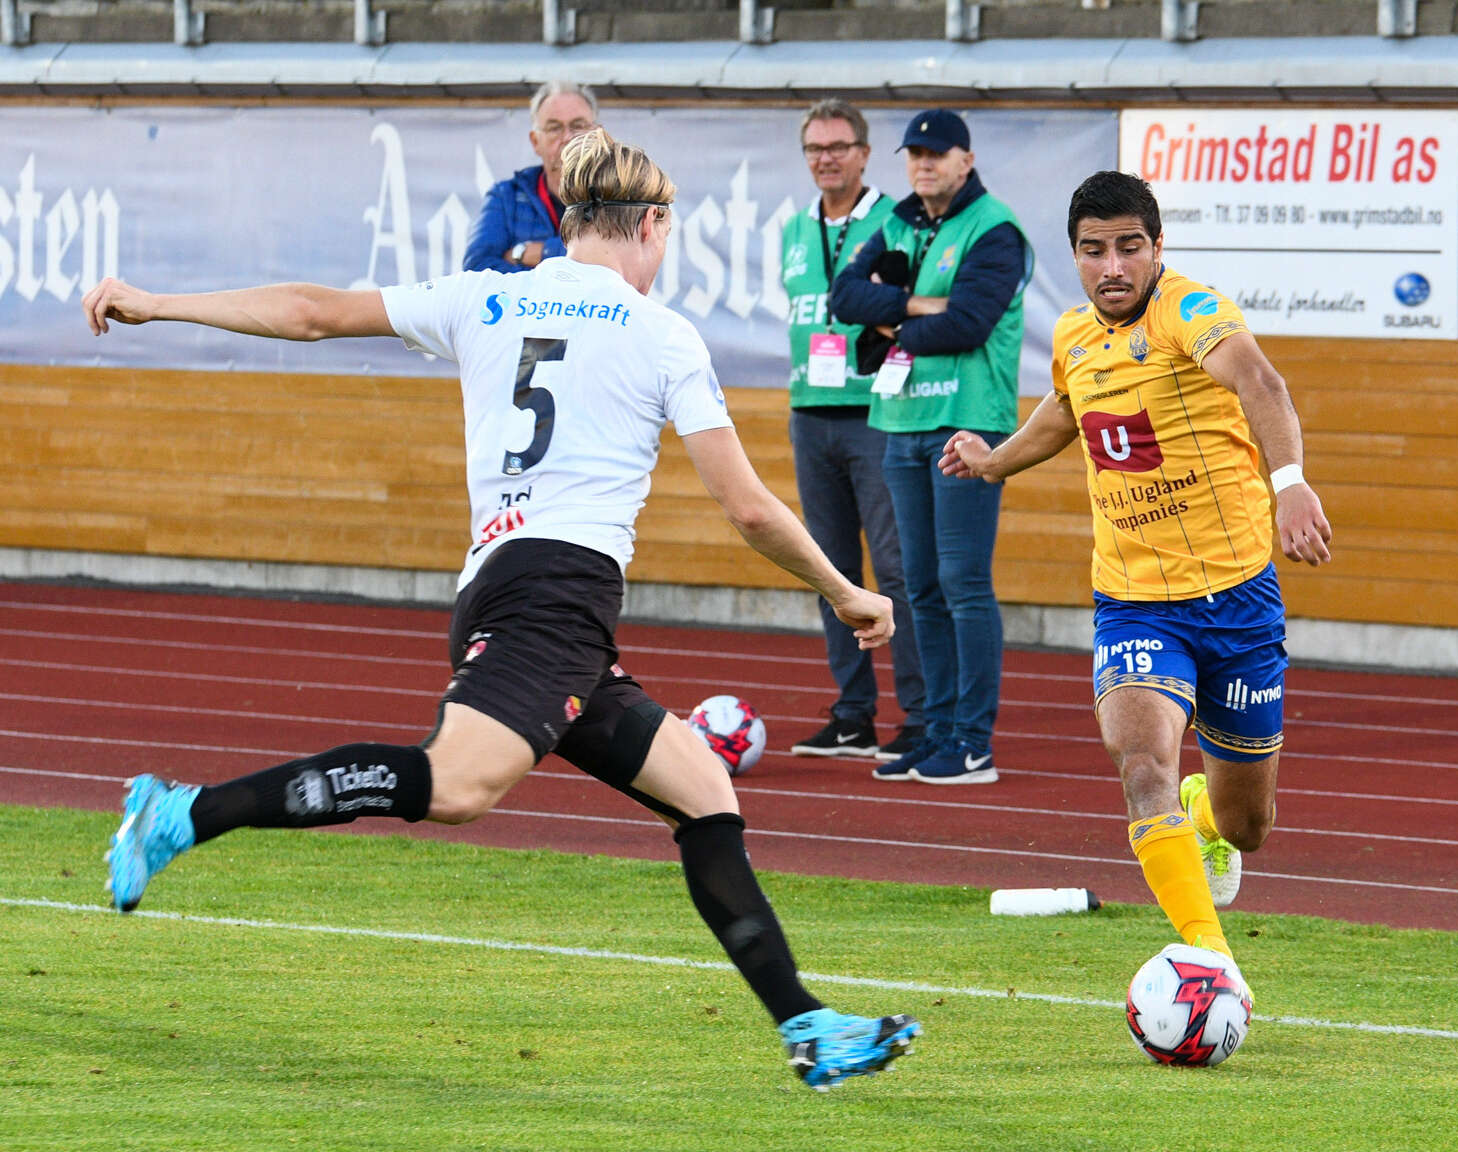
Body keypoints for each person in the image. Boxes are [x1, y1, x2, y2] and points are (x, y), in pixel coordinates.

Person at [84, 129, 921, 1092]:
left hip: (514, 588)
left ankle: (810, 1028)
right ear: (652, 224)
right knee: (455, 787)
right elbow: (750, 509)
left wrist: (159, 303)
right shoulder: (661, 334)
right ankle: (183, 812)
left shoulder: (487, 296)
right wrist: (845, 590)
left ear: (568, 221)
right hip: (554, 599)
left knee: (703, 793)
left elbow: (312, 312)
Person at [939, 170, 1333, 986]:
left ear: (1157, 248)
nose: (1112, 266)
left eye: (1129, 247)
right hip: (1134, 601)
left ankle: (1203, 819)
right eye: (1094, 251)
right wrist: (993, 462)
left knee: (1248, 824)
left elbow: (1262, 383)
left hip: (1237, 600)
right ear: (1076, 256)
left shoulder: (1191, 312)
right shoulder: (1075, 337)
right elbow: (1065, 410)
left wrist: (1290, 483)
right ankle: (1211, 960)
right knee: (1143, 764)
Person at [827, 109, 1031, 786]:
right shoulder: (898, 220)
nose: (923, 164)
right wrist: (919, 307)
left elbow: (969, 324)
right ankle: (937, 730)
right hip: (901, 420)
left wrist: (892, 316)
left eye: (936, 154)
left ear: (965, 160)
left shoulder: (995, 228)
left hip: (968, 424)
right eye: (914, 154)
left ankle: (972, 743)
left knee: (962, 583)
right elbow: (843, 297)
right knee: (918, 586)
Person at [779, 99, 926, 764]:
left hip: (877, 413)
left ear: (864, 154)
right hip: (810, 412)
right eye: (815, 148)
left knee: (895, 567)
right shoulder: (793, 228)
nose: (826, 158)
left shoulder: (895, 223)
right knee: (829, 569)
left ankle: (919, 715)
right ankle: (853, 714)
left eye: (838, 146)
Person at [463, 81, 600, 274]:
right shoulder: (505, 197)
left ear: (597, 135)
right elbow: (477, 269)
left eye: (578, 126)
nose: (567, 137)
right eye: (554, 128)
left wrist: (535, 252)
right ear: (535, 141)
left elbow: (617, 260)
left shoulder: (617, 195)